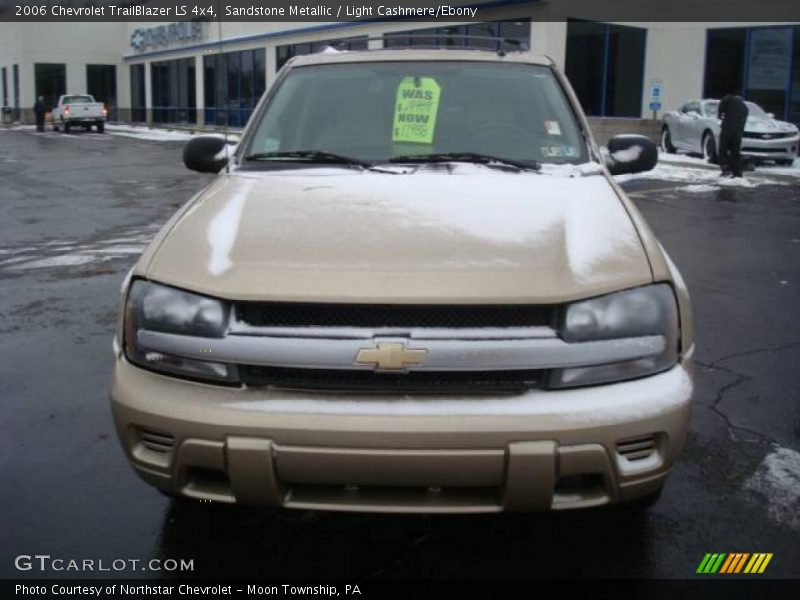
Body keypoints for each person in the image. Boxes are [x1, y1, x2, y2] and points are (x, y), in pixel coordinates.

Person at [717, 92, 748, 178]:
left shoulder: (730, 98)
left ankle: (726, 169)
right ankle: (737, 173)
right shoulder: (745, 108)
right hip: (737, 133)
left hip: (727, 130)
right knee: (735, 153)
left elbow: (722, 103)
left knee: (723, 150)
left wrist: (720, 114)